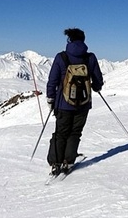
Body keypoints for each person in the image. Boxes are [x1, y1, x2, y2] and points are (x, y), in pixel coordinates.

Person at [45, 28, 104, 176]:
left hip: (63, 104)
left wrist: (51, 99)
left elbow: (52, 81)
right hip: (83, 104)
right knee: (75, 132)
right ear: (83, 40)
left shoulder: (61, 57)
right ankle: (68, 161)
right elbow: (98, 80)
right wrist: (96, 87)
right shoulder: (90, 58)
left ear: (69, 40)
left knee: (61, 133)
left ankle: (55, 163)